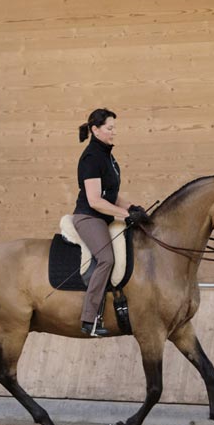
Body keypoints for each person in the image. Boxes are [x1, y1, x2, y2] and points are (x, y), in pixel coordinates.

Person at [73, 108, 149, 337]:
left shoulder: (107, 155)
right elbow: (95, 200)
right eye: (109, 128)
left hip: (103, 215)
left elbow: (111, 194)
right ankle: (89, 319)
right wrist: (125, 215)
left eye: (114, 127)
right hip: (89, 217)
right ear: (95, 129)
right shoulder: (91, 158)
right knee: (106, 259)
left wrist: (132, 208)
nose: (114, 132)